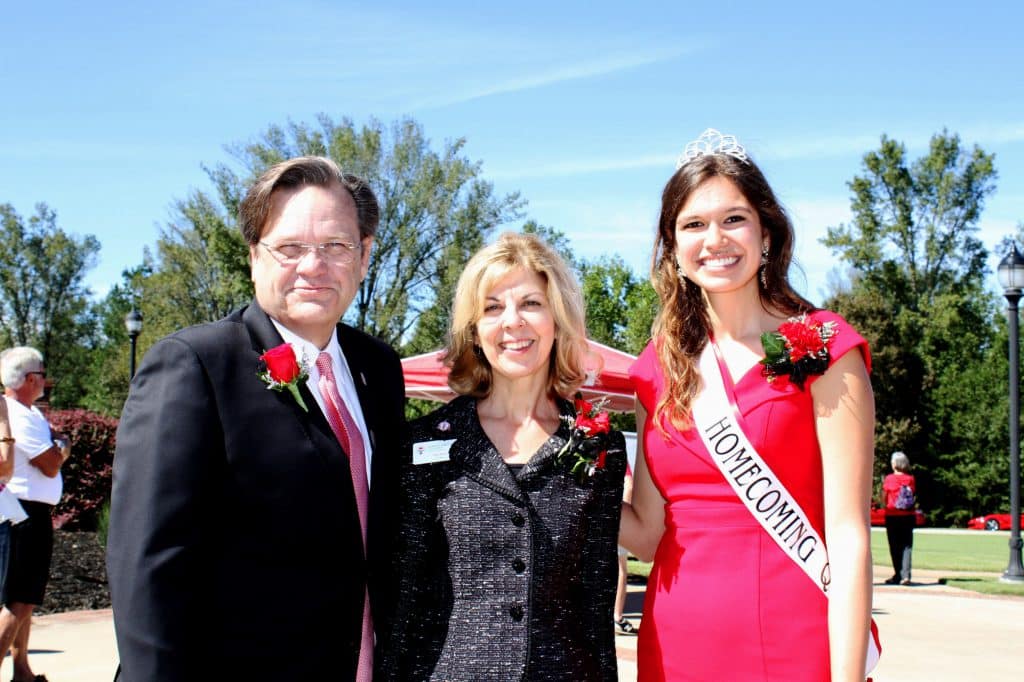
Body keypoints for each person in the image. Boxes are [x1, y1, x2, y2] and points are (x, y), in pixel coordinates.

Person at [107, 156, 407, 681]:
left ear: (364, 255)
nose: (313, 266)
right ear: (254, 257)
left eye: (335, 246)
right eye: (289, 247)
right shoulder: (195, 365)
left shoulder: (378, 369)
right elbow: (148, 567)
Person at [619, 129, 877, 681]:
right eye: (693, 225)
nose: (715, 239)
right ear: (674, 250)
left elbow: (850, 534)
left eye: (733, 219)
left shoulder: (826, 347)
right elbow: (646, 532)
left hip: (796, 640)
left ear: (766, 234)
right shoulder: (655, 367)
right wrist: (550, 461)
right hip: (674, 643)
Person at [384, 232, 627, 681]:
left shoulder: (598, 444)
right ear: (474, 330)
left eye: (531, 303)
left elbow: (595, 601)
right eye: (492, 307)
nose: (512, 323)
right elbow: (402, 599)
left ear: (557, 318)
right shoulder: (421, 445)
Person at [0, 347, 72, 682]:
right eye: (42, 374)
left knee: (23, 598)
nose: (46, 379)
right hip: (23, 515)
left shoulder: (26, 413)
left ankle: (22, 671)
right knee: (20, 598)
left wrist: (56, 443)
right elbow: (50, 463)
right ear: (31, 379)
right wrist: (63, 447)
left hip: (28, 513)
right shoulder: (16, 413)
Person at [882, 451, 916, 585]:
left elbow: (884, 495)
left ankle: (898, 574)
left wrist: (884, 504)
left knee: (894, 546)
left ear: (895, 464)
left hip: (893, 515)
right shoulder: (910, 479)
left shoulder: (890, 478)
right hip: (908, 516)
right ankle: (906, 575)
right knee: (907, 546)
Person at [613, 464, 637, 635]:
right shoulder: (617, 453)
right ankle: (617, 616)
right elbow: (629, 484)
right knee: (620, 569)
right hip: (615, 520)